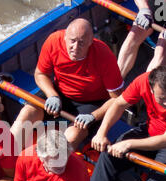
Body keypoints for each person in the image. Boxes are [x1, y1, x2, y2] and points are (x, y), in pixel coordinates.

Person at [10, 17, 124, 151]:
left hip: (91, 104)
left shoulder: (104, 56)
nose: (75, 48)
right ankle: (7, 158)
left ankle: (53, 167)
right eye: (72, 41)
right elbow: (40, 74)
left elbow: (117, 98)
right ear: (65, 37)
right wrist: (52, 95)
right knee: (27, 113)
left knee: (71, 137)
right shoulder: (53, 41)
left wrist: (94, 116)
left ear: (90, 43)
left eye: (81, 43)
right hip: (59, 93)